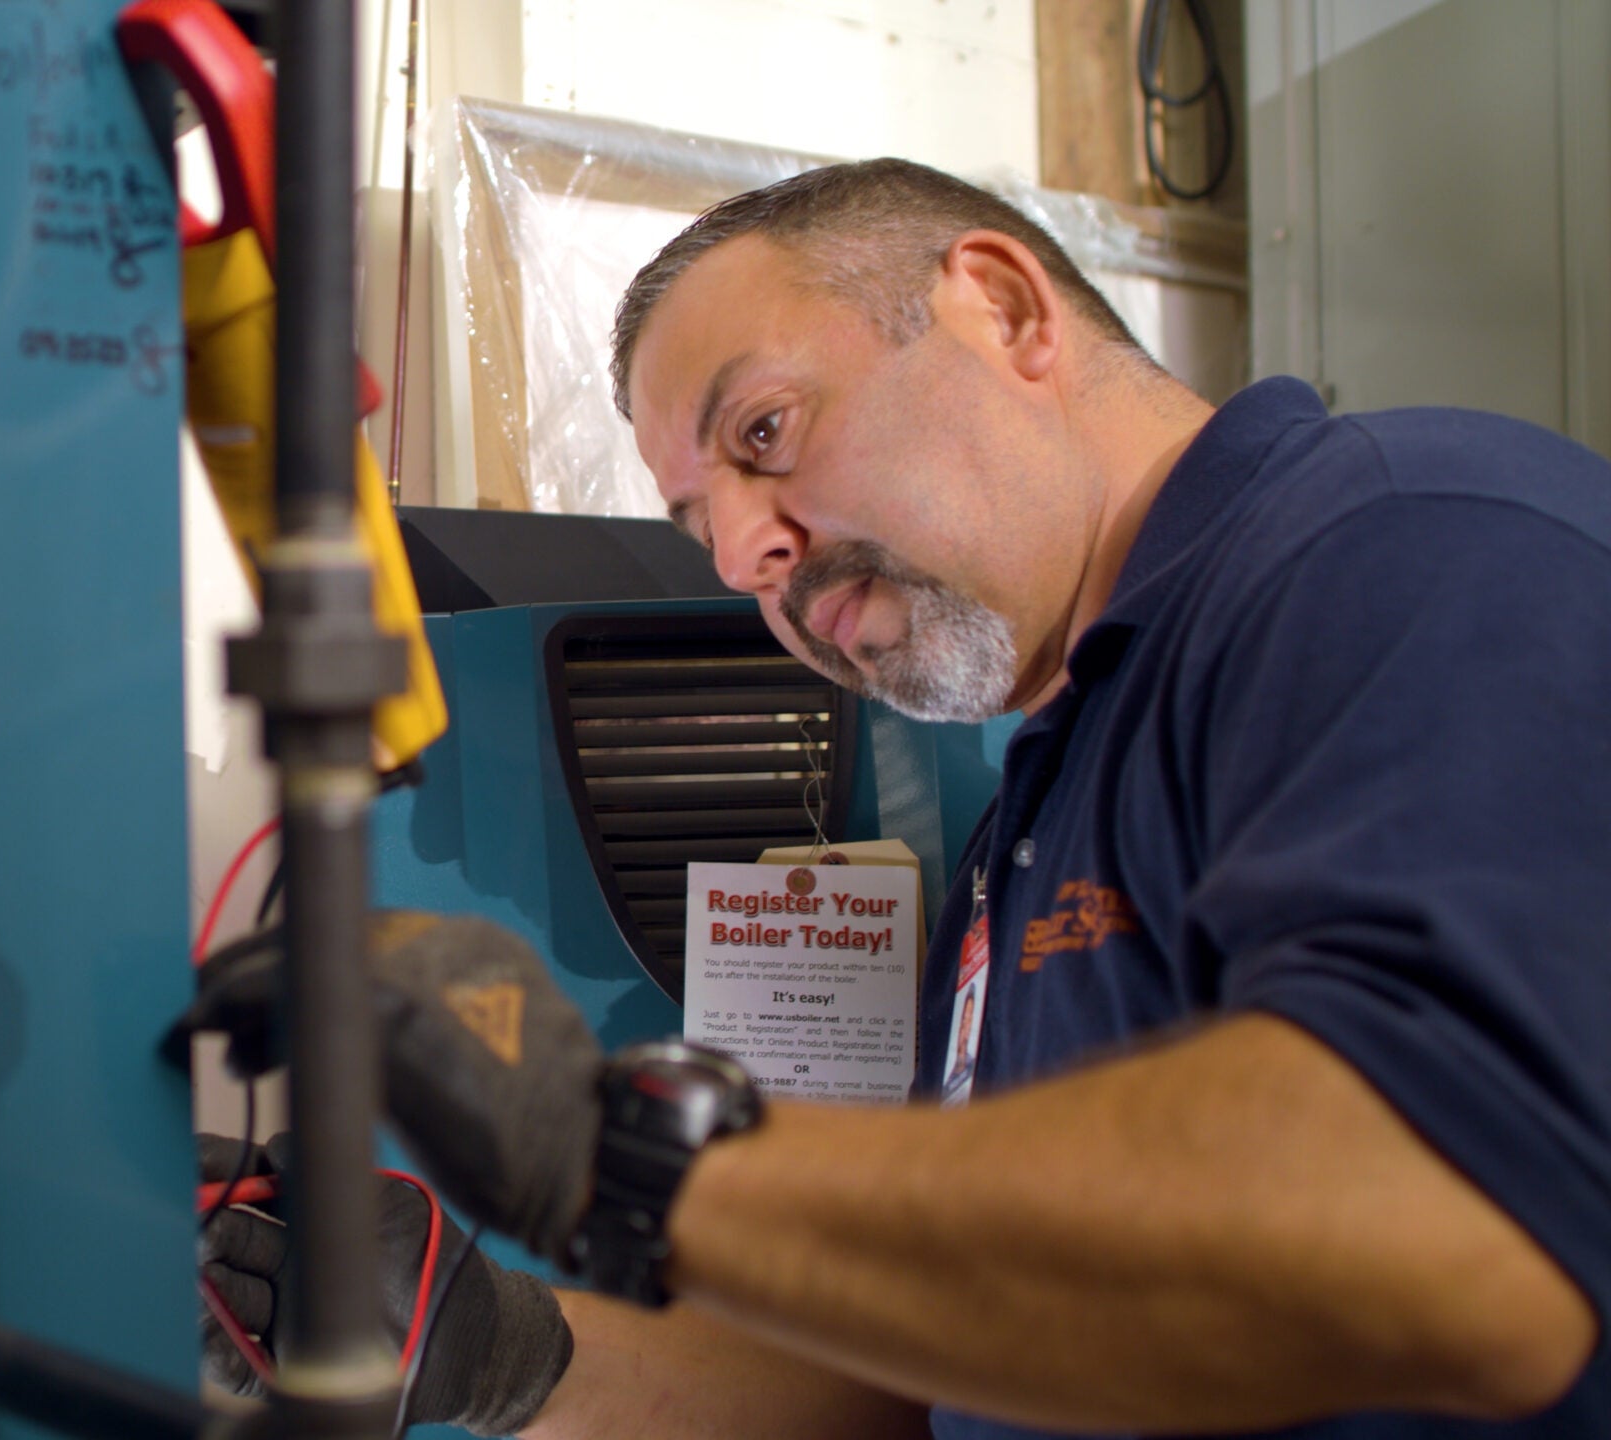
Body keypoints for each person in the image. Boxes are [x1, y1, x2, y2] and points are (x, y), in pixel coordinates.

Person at [194, 158, 1611, 1438]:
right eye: (707, 532)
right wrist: (493, 1344)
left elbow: (1453, 1229)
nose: (751, 553)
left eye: (764, 432)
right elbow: (948, 1379)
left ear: (1001, 309)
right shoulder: (1037, 808)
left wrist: (611, 1152)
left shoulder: (1408, 545)